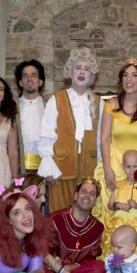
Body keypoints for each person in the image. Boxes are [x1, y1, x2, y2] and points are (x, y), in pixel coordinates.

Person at [94, 60, 137, 228]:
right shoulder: (111, 105)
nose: (129, 79)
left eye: (134, 75)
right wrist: (107, 168)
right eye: (125, 75)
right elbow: (104, 138)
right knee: (110, 204)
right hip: (114, 162)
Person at [38, 48, 101, 212]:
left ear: (91, 75)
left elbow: (101, 139)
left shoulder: (99, 103)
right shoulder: (56, 100)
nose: (82, 72)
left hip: (89, 173)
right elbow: (46, 133)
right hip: (60, 170)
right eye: (78, 68)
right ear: (70, 72)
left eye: (86, 69)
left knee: (86, 218)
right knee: (59, 215)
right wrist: (48, 165)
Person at [45, 179, 106, 273]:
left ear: (95, 201)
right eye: (84, 191)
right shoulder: (55, 219)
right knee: (38, 265)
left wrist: (69, 268)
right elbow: (45, 252)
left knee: (100, 266)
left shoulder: (97, 227)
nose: (87, 196)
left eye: (92, 193)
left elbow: (90, 257)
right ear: (76, 196)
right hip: (53, 270)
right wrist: (62, 272)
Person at [102, 150, 137, 259]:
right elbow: (110, 205)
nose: (132, 170)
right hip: (118, 224)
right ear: (123, 167)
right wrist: (118, 205)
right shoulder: (117, 185)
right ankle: (115, 268)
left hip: (136, 225)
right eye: (128, 166)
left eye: (135, 166)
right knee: (112, 248)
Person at [15, 60, 46, 174]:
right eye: (25, 76)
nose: (29, 79)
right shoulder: (12, 108)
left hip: (44, 169)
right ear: (20, 82)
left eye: (34, 75)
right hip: (18, 167)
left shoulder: (49, 107)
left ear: (40, 82)